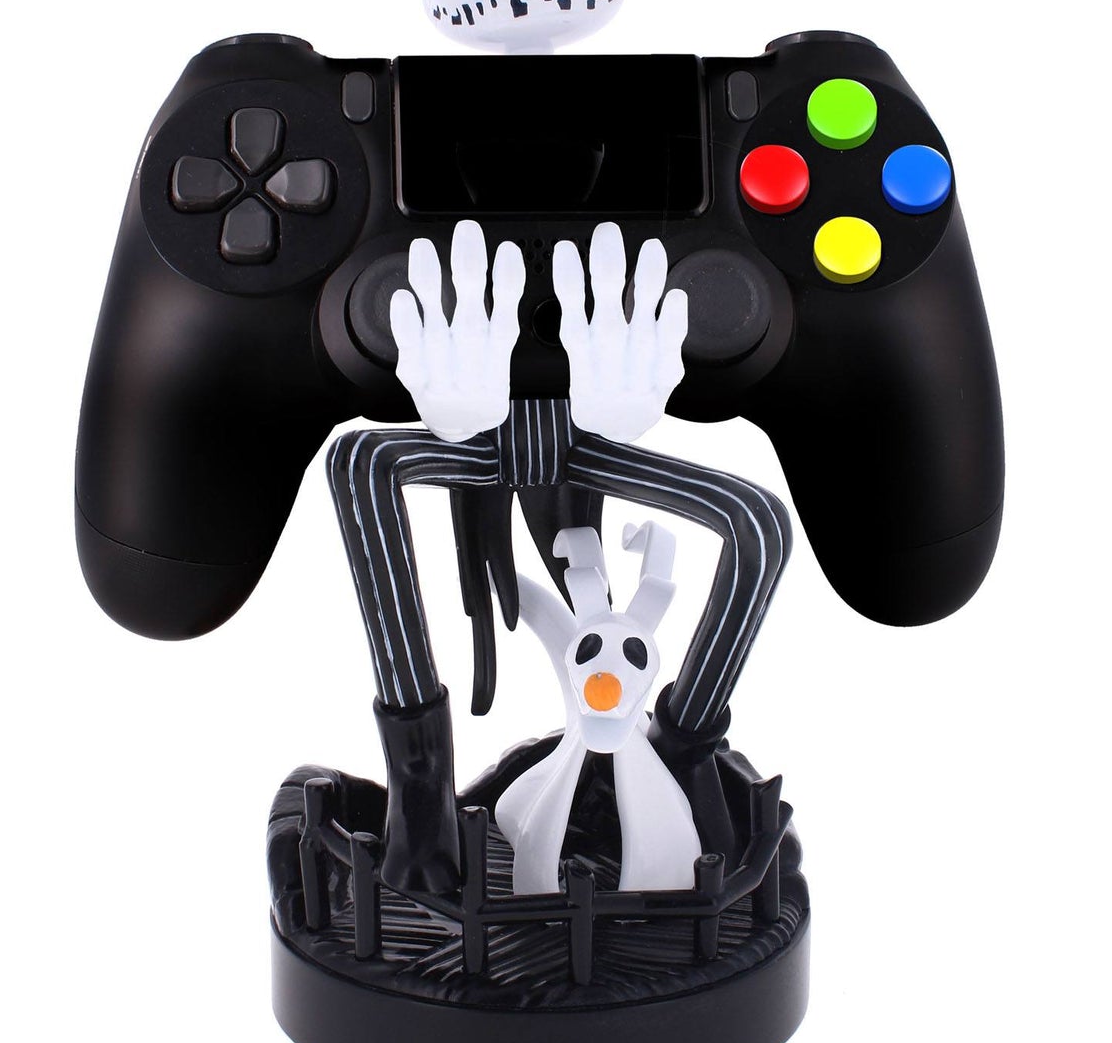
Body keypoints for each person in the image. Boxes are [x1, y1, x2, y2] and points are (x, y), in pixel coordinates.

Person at [326, 219, 791, 896]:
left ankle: (683, 746)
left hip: (585, 437)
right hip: (478, 438)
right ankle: (420, 796)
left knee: (758, 522)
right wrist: (441, 401)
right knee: (358, 461)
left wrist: (633, 397)